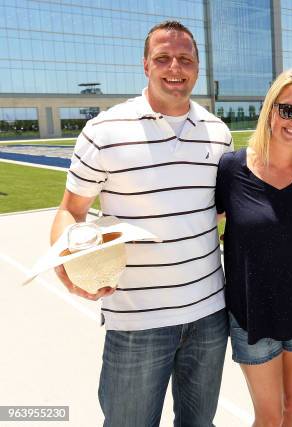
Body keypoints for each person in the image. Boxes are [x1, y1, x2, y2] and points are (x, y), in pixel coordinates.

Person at [50, 21, 231, 426]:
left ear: (197, 67)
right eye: (163, 58)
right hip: (136, 320)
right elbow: (71, 209)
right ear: (145, 65)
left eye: (185, 59)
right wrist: (65, 259)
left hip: (208, 316)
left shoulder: (218, 134)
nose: (174, 68)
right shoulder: (104, 131)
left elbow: (210, 209)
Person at [215, 70, 292, 427]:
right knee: (269, 415)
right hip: (252, 312)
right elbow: (205, 224)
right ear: (270, 111)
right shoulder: (232, 168)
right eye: (288, 110)